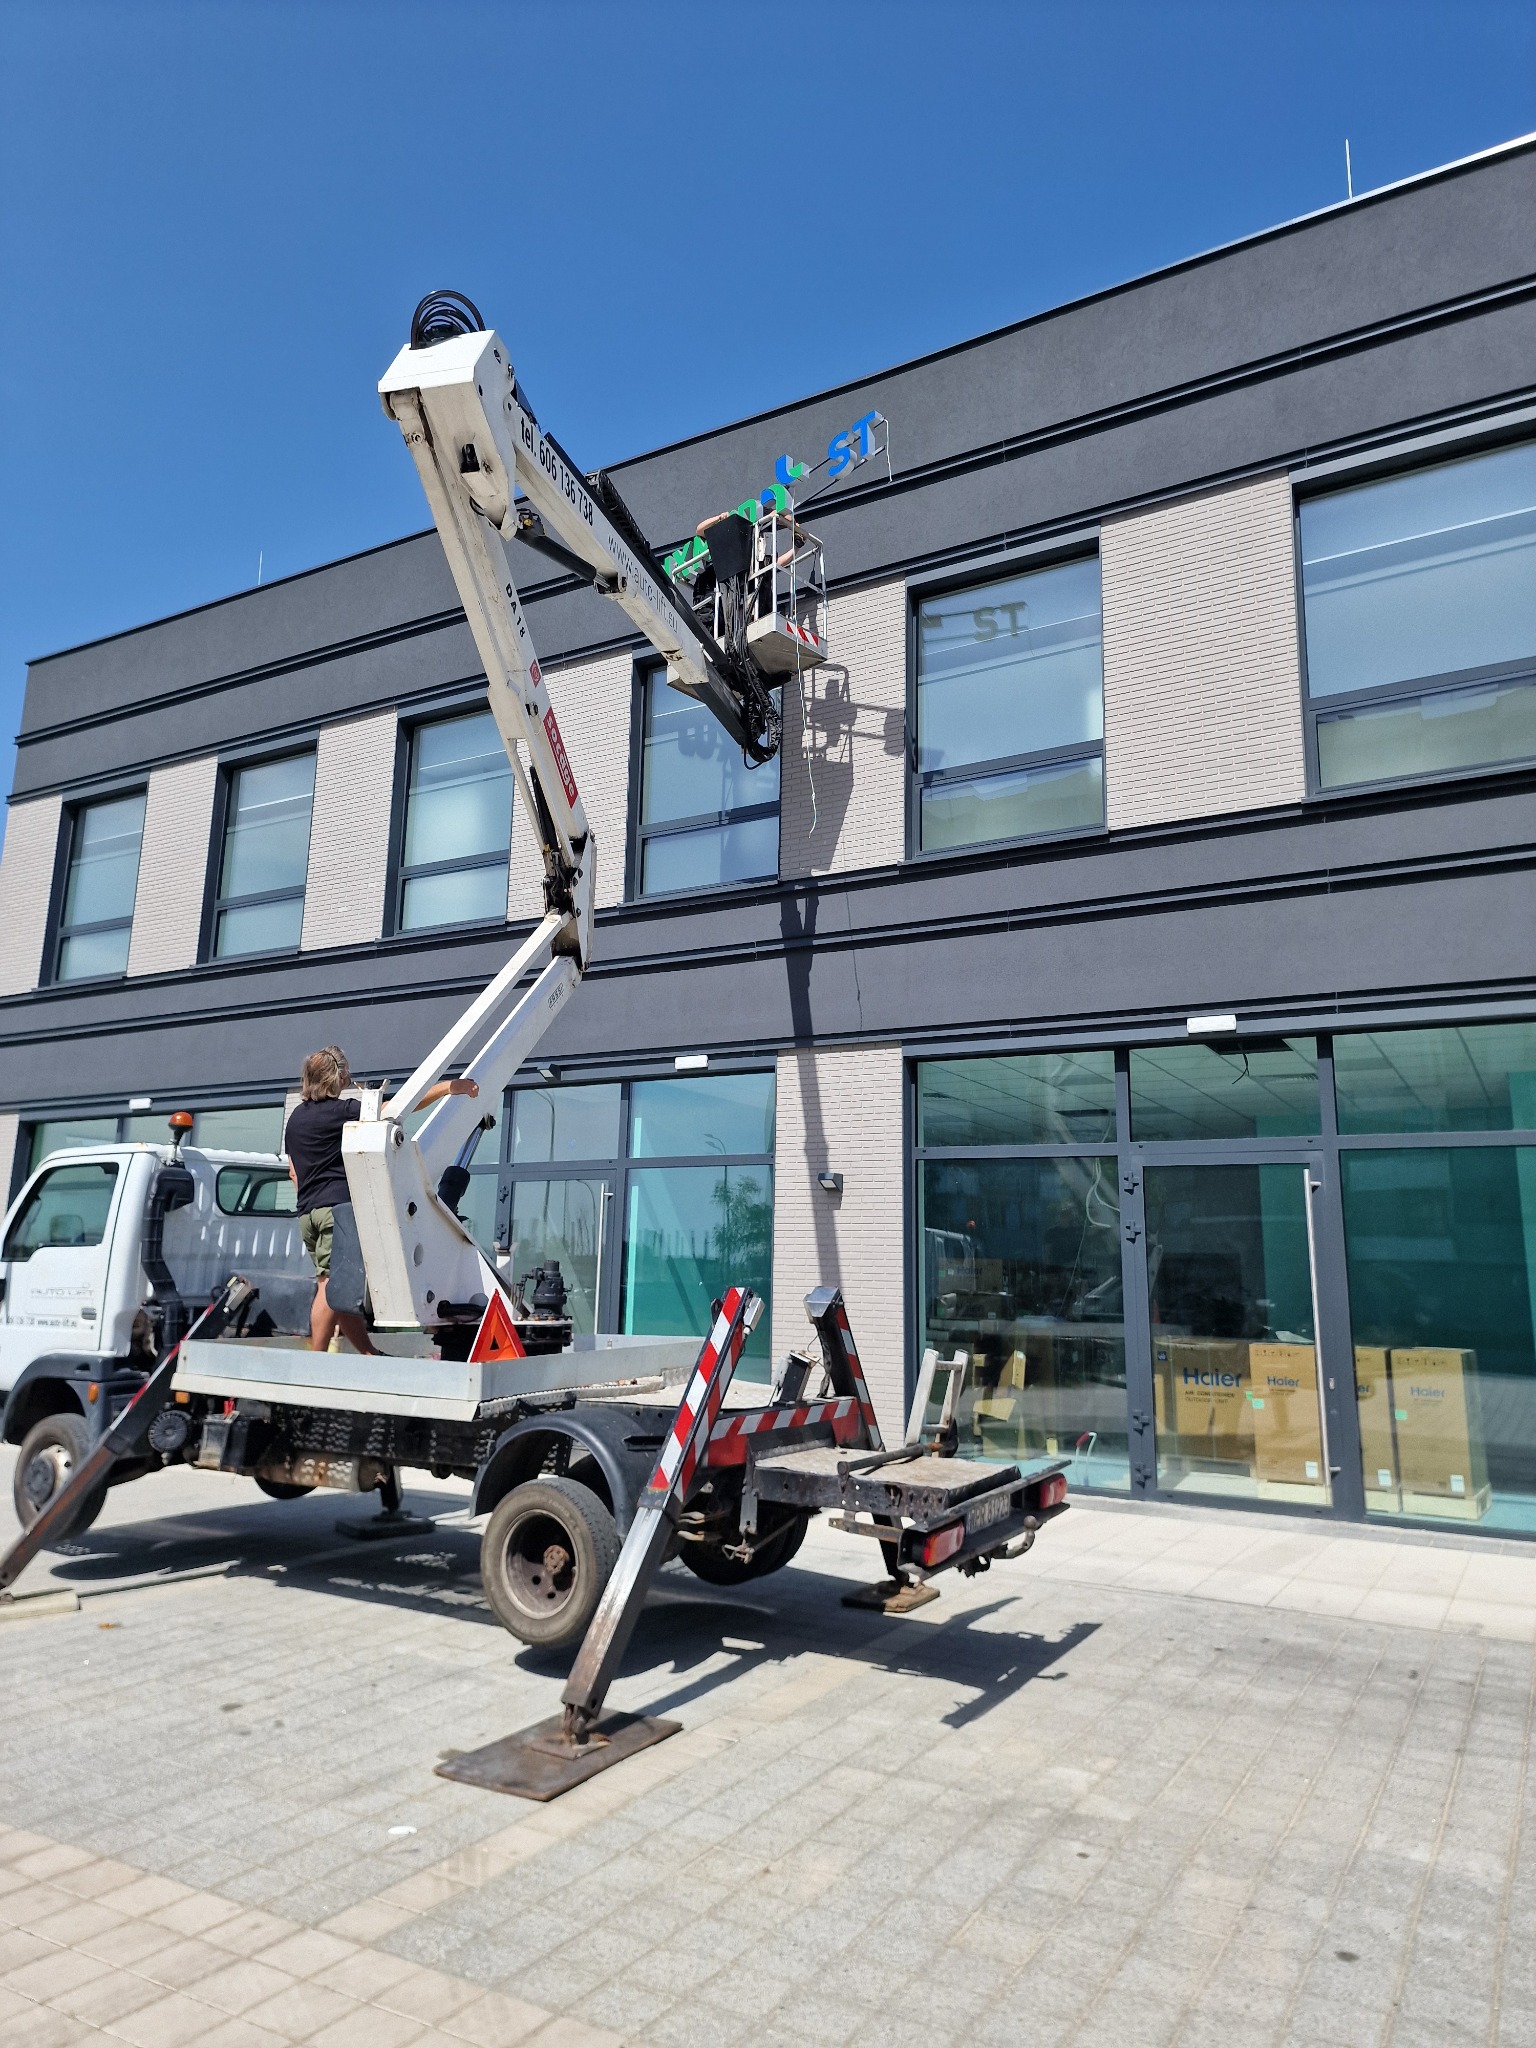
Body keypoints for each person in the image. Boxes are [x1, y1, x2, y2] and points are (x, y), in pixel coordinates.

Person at [284, 1046, 478, 1355]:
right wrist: (450, 1087)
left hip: (307, 1213)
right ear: (338, 1077)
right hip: (337, 1212)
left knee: (343, 1289)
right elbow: (394, 1109)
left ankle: (367, 1352)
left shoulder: (296, 1118)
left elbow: (294, 1171)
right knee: (331, 1285)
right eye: (347, 1073)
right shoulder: (342, 1111)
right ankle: (314, 1360)